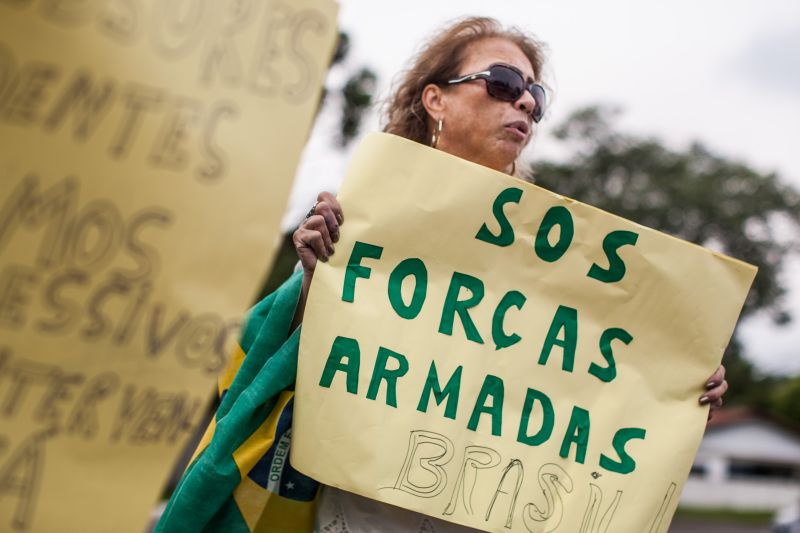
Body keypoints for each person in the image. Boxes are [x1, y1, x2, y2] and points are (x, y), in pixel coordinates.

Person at [290, 16, 728, 532]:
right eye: (503, 83)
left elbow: (591, 382)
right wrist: (313, 280)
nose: (524, 103)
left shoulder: (556, 259)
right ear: (437, 100)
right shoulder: (362, 218)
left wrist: (680, 380)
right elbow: (291, 368)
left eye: (534, 97)